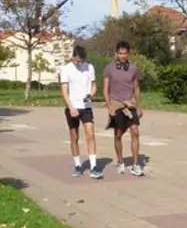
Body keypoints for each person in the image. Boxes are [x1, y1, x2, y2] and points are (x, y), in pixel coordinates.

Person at [60, 45, 102, 179]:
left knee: (90, 134)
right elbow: (64, 91)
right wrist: (71, 107)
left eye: (82, 61)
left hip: (86, 106)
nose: (79, 63)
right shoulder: (66, 69)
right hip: (72, 107)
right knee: (74, 136)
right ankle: (78, 165)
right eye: (77, 61)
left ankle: (94, 166)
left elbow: (94, 86)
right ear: (72, 57)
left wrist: (91, 95)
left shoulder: (90, 67)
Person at [104, 41, 144, 176]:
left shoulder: (133, 69)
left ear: (128, 54)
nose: (122, 56)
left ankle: (135, 165)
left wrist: (139, 107)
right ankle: (120, 162)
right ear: (116, 54)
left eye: (125, 53)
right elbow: (105, 88)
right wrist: (109, 105)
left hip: (130, 103)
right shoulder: (109, 69)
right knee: (118, 134)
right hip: (116, 104)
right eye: (120, 53)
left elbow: (136, 87)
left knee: (135, 131)